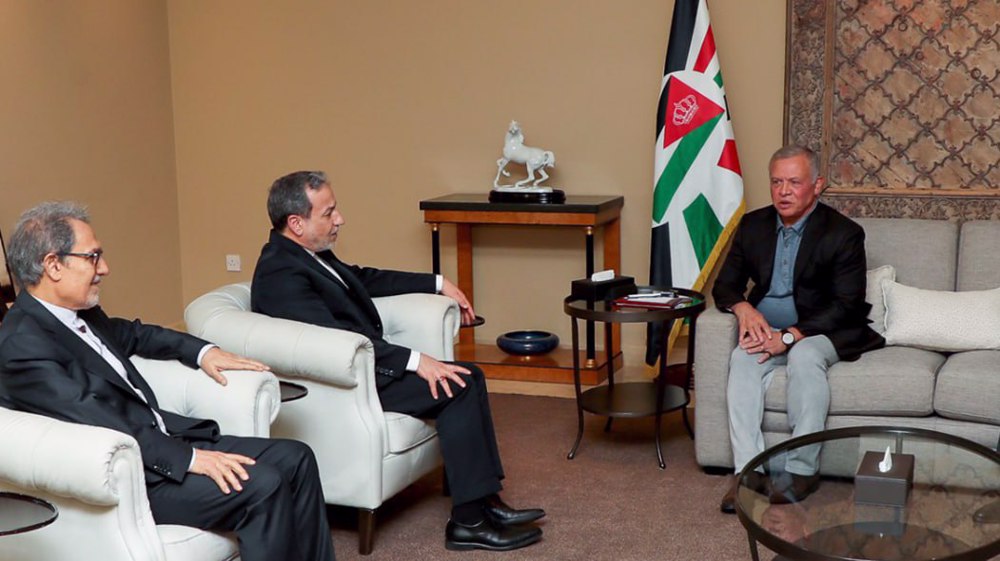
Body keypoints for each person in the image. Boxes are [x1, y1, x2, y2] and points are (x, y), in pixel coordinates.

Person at [0, 202, 334, 561]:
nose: (105, 268)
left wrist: (204, 352)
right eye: (93, 257)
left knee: (296, 457)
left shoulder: (80, 314)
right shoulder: (22, 342)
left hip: (164, 439)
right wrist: (190, 458)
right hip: (135, 475)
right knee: (263, 486)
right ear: (53, 265)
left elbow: (137, 335)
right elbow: (94, 417)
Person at [251, 171, 544, 552]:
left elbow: (361, 278)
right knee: (459, 382)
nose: (339, 219)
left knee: (466, 376)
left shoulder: (306, 254)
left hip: (365, 366)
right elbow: (331, 340)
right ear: (296, 223)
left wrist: (437, 283)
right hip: (348, 383)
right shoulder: (281, 271)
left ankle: (484, 501)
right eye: (329, 212)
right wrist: (413, 360)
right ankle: (468, 523)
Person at [714, 146, 884, 514]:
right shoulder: (753, 225)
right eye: (777, 182)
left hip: (820, 330)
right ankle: (748, 472)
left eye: (794, 182)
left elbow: (846, 305)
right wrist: (743, 308)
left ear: (817, 185)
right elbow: (724, 286)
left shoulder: (844, 233)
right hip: (766, 326)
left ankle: (801, 471)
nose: (783, 191)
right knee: (741, 359)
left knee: (804, 357)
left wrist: (789, 337)